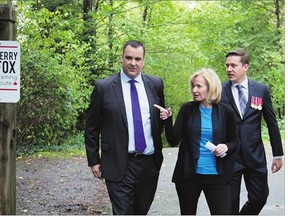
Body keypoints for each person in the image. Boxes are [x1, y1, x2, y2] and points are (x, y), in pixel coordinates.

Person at [85, 40, 166, 215]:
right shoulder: (104, 87)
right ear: (121, 58)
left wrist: (165, 120)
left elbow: (159, 122)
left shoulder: (155, 84)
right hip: (118, 162)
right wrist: (94, 160)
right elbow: (91, 127)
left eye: (138, 59)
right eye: (128, 58)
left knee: (141, 211)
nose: (133, 63)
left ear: (143, 61)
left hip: (149, 163)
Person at [155, 68, 238, 215]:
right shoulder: (187, 109)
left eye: (199, 86)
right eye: (193, 86)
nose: (194, 90)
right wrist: (167, 120)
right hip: (189, 174)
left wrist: (226, 146)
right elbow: (173, 140)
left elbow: (236, 142)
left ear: (211, 87)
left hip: (217, 175)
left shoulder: (226, 112)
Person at [221, 50, 284, 215]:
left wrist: (278, 154)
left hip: (254, 154)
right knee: (229, 205)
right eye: (227, 65)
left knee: (259, 197)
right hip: (230, 156)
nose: (229, 69)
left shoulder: (260, 90)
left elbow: (271, 123)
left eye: (234, 65)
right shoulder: (219, 90)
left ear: (245, 67)